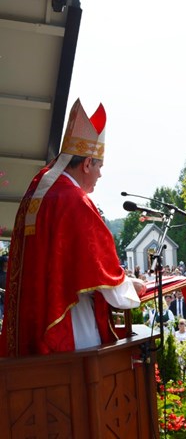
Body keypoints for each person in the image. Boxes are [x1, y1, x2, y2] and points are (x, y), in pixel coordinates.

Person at [0, 99, 146, 356]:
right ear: (87, 163)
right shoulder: (74, 201)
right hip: (69, 321)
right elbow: (98, 271)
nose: (100, 174)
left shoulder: (39, 190)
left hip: (34, 319)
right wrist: (129, 287)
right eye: (99, 166)